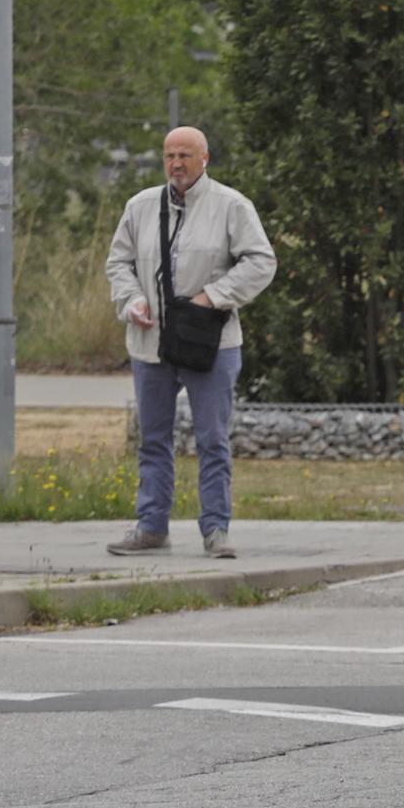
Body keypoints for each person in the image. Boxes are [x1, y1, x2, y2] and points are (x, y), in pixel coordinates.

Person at [103, 127, 277, 558]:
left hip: (211, 345)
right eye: (169, 155)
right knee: (153, 438)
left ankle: (216, 530)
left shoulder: (231, 206)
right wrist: (132, 299)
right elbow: (118, 262)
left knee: (212, 439)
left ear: (205, 158)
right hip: (150, 344)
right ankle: (151, 525)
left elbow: (261, 262)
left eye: (185, 155)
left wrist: (212, 297)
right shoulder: (141, 206)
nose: (176, 163)